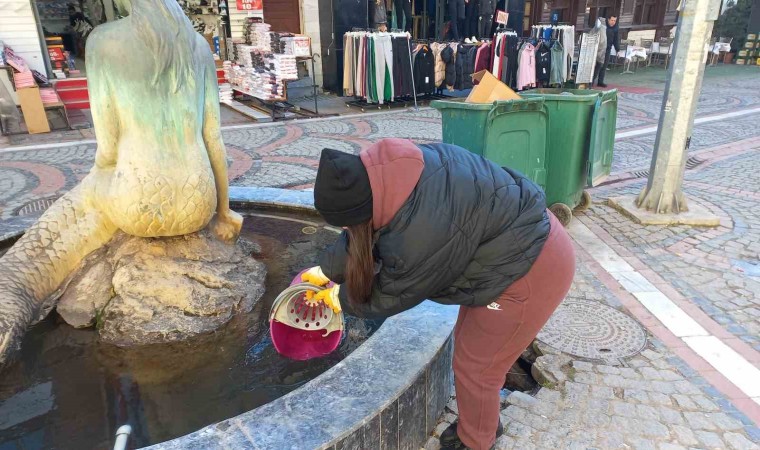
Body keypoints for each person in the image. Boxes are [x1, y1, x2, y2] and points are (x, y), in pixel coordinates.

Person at [303, 138, 576, 450]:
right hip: (512, 243)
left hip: (531, 269)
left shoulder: (416, 235)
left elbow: (390, 295)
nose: (349, 231)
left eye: (348, 224)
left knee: (478, 368)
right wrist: (326, 270)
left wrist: (336, 299)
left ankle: (476, 441)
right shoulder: (388, 173)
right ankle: (483, 421)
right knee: (471, 351)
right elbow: (360, 234)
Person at [597, 14, 620, 87]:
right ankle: (591, 81)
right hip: (600, 48)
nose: (613, 22)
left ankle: (600, 81)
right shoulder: (603, 27)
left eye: (615, 21)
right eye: (612, 20)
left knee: (604, 66)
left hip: (608, 49)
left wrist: (617, 50)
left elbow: (616, 40)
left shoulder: (616, 28)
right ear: (608, 19)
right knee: (598, 65)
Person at [591, 16, 608, 88]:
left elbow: (601, 42)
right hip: (600, 53)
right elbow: (603, 43)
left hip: (597, 53)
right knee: (596, 69)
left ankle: (590, 83)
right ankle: (591, 83)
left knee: (594, 69)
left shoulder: (598, 29)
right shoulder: (602, 29)